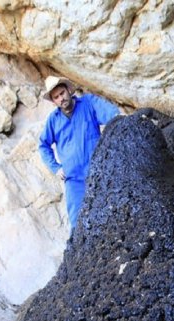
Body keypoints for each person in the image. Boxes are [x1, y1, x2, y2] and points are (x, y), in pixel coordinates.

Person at [38, 76, 119, 230]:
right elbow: (43, 145)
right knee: (78, 223)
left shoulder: (88, 103)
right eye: (56, 97)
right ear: (53, 101)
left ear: (69, 90)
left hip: (100, 173)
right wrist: (56, 167)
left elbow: (112, 115)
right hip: (74, 180)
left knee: (109, 215)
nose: (61, 99)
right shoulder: (53, 120)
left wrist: (118, 118)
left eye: (62, 93)